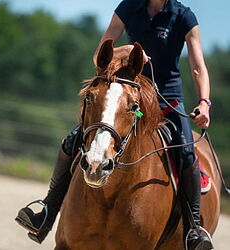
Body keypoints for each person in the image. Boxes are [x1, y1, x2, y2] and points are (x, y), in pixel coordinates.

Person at [15, 0, 212, 249]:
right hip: (128, 93)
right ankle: (47, 210)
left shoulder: (184, 16)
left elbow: (197, 67)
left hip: (167, 101)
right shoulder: (128, 7)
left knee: (185, 151)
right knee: (73, 140)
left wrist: (204, 102)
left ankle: (194, 229)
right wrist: (125, 50)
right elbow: (99, 56)